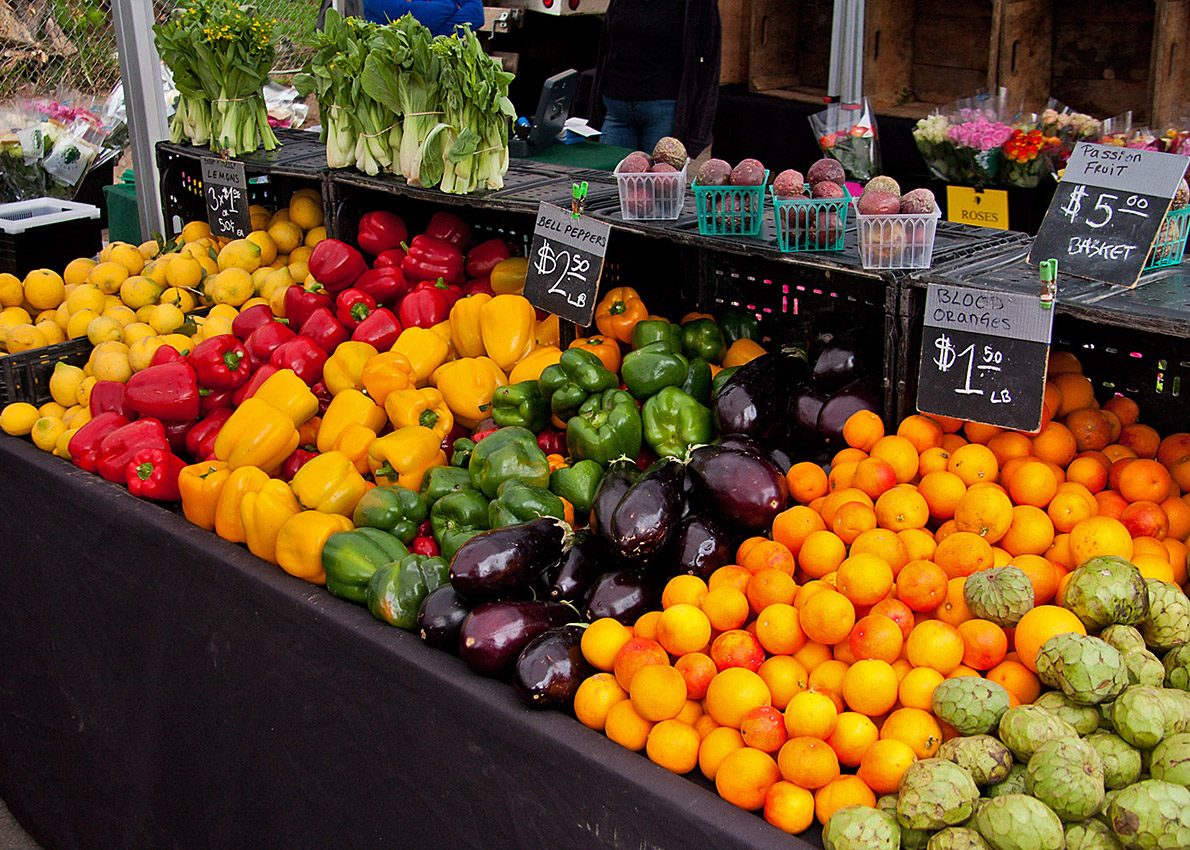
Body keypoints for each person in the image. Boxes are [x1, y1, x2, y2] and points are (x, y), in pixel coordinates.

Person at [589, 0, 721, 158]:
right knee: (608, 178)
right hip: (617, 106)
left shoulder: (696, 5)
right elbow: (606, 47)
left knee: (656, 179)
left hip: (663, 109)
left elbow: (710, 63)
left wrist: (697, 134)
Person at [318, 0, 484, 38]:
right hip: (391, 62)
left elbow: (476, 14)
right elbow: (405, 16)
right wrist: (450, 4)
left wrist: (432, 34)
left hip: (444, 61)